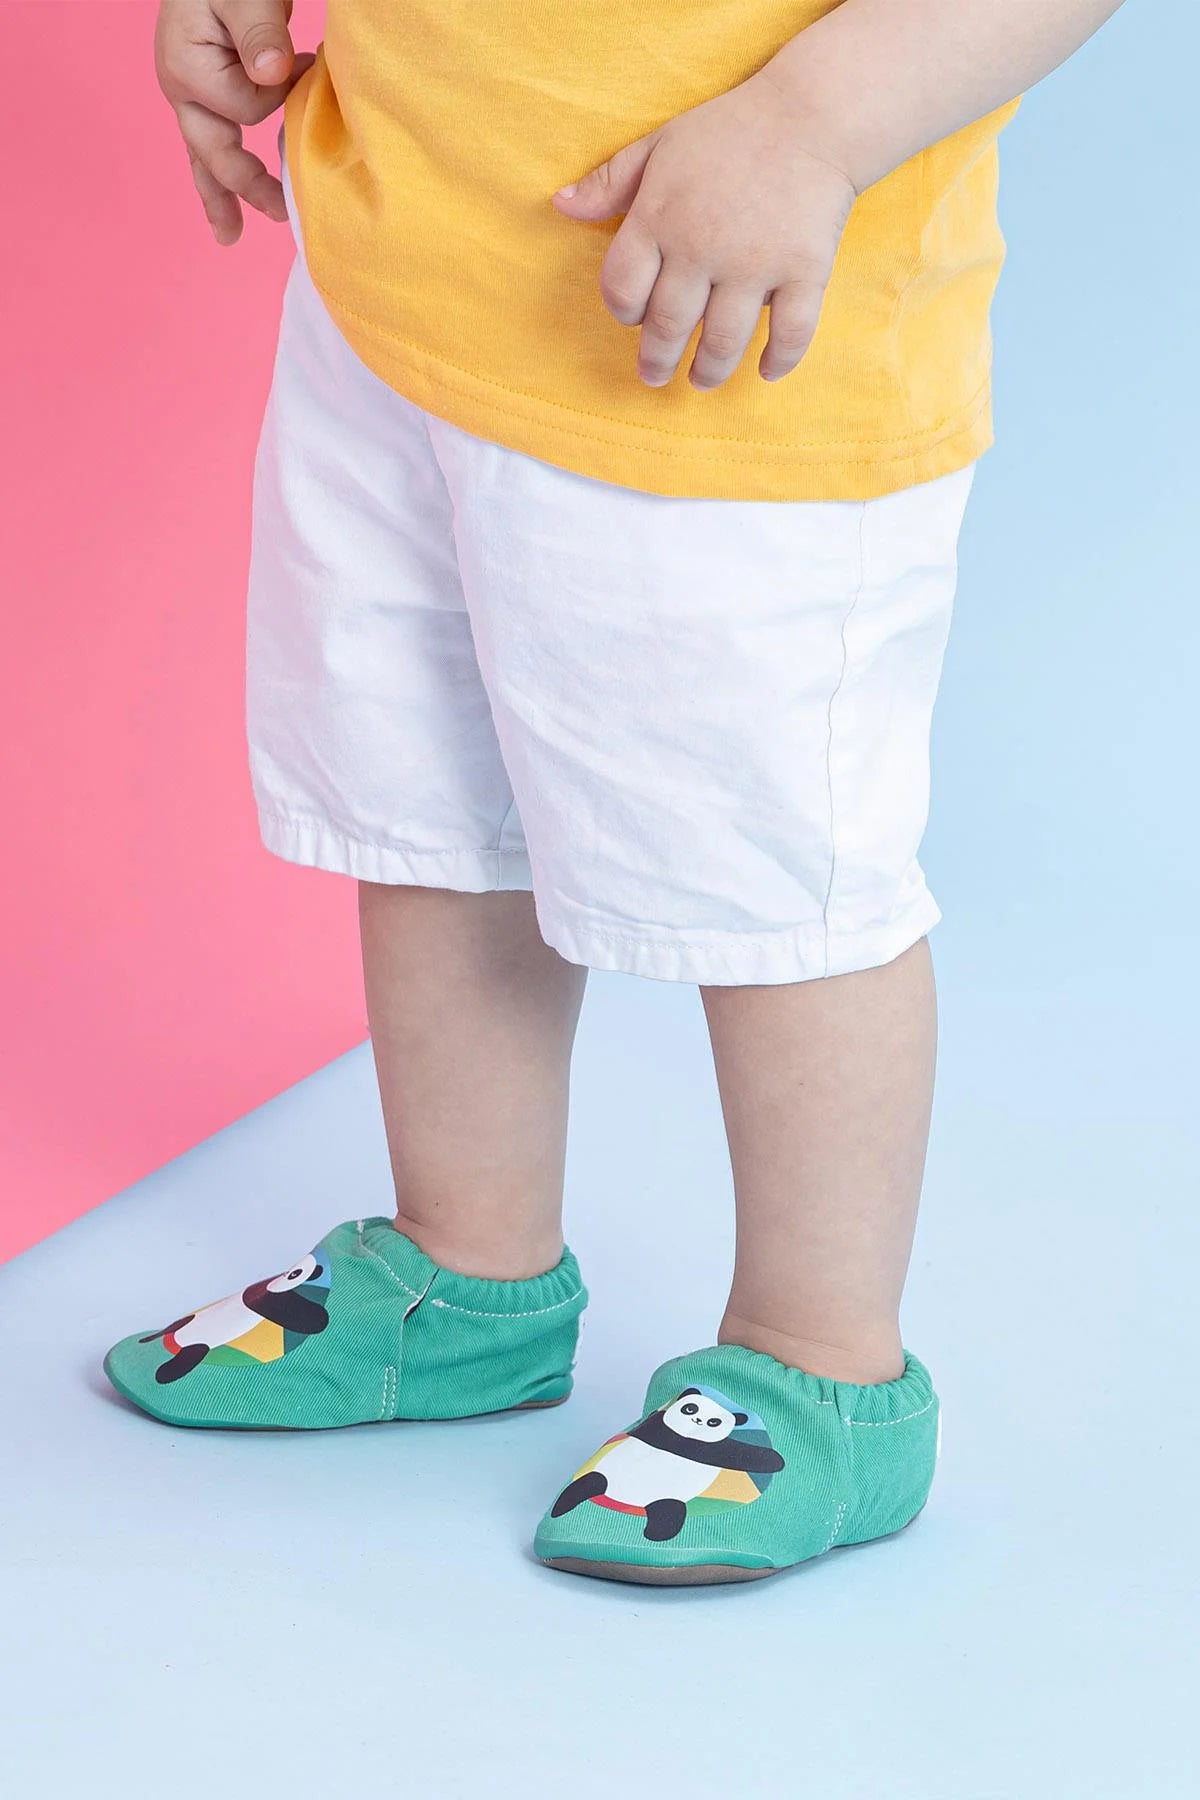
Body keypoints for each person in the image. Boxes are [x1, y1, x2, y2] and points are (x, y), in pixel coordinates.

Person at [105, 0, 1126, 1586]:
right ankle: (465, 1270)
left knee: (782, 884)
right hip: (404, 271)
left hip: (728, 367)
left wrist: (815, 120)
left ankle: (825, 1366)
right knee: (433, 807)